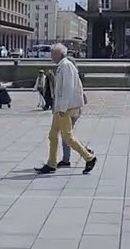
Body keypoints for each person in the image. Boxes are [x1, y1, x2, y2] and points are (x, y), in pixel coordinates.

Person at [35, 43, 97, 174]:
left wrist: (62, 108)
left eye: (53, 53)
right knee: (53, 135)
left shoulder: (66, 66)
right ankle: (51, 163)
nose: (51, 55)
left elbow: (67, 89)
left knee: (67, 136)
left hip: (65, 108)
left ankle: (89, 157)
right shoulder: (62, 66)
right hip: (60, 108)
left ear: (59, 54)